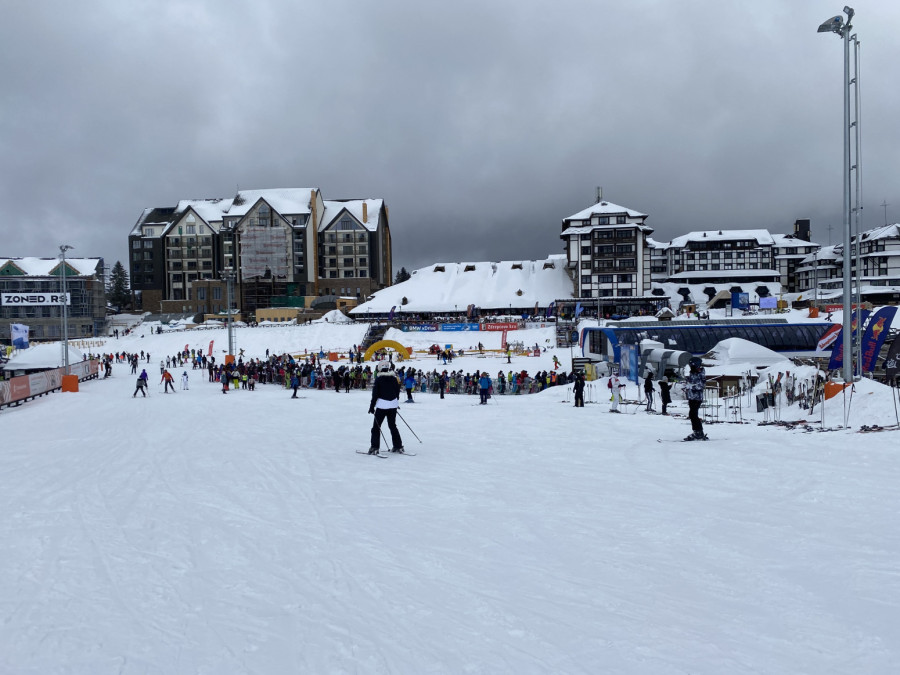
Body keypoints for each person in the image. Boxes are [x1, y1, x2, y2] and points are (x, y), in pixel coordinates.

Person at [368, 362, 404, 454]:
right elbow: (397, 392)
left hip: (382, 405)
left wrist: (372, 407)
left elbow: (375, 394)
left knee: (376, 427)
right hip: (393, 405)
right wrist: (395, 403)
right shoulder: (394, 378)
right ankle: (398, 446)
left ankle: (374, 447)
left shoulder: (379, 379)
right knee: (392, 426)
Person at [685, 357, 707, 440]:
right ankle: (697, 431)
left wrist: (692, 386)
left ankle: (698, 432)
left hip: (697, 398)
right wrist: (687, 383)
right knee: (692, 415)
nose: (691, 367)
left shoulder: (700, 373)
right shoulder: (692, 372)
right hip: (691, 397)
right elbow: (691, 381)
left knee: (693, 415)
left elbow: (701, 385)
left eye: (692, 365)